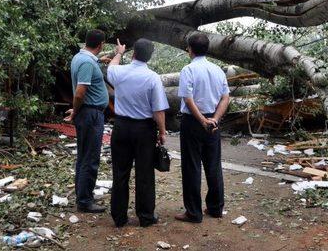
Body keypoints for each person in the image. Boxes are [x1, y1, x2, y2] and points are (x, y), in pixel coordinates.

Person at [106, 38, 169, 227]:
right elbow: (158, 110)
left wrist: (119, 52)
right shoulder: (152, 77)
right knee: (144, 174)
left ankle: (119, 217)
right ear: (149, 57)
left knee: (120, 172)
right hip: (144, 130)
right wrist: (162, 132)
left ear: (133, 54)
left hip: (121, 127)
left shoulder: (119, 72)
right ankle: (145, 216)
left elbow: (111, 67)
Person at [175, 33, 230, 223]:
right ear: (207, 49)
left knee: (191, 166)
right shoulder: (218, 70)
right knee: (213, 165)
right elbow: (225, 97)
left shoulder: (188, 70)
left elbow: (187, 99)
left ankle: (193, 212)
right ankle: (215, 208)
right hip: (213, 123)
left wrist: (201, 120)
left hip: (193, 122)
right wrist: (213, 119)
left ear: (190, 49)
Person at [66, 29, 110, 213]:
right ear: (100, 45)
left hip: (88, 112)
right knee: (90, 158)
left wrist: (101, 60)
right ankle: (85, 201)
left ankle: (82, 195)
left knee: (85, 155)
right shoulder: (86, 63)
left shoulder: (81, 57)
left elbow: (89, 65)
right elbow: (80, 92)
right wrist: (75, 111)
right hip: (90, 114)